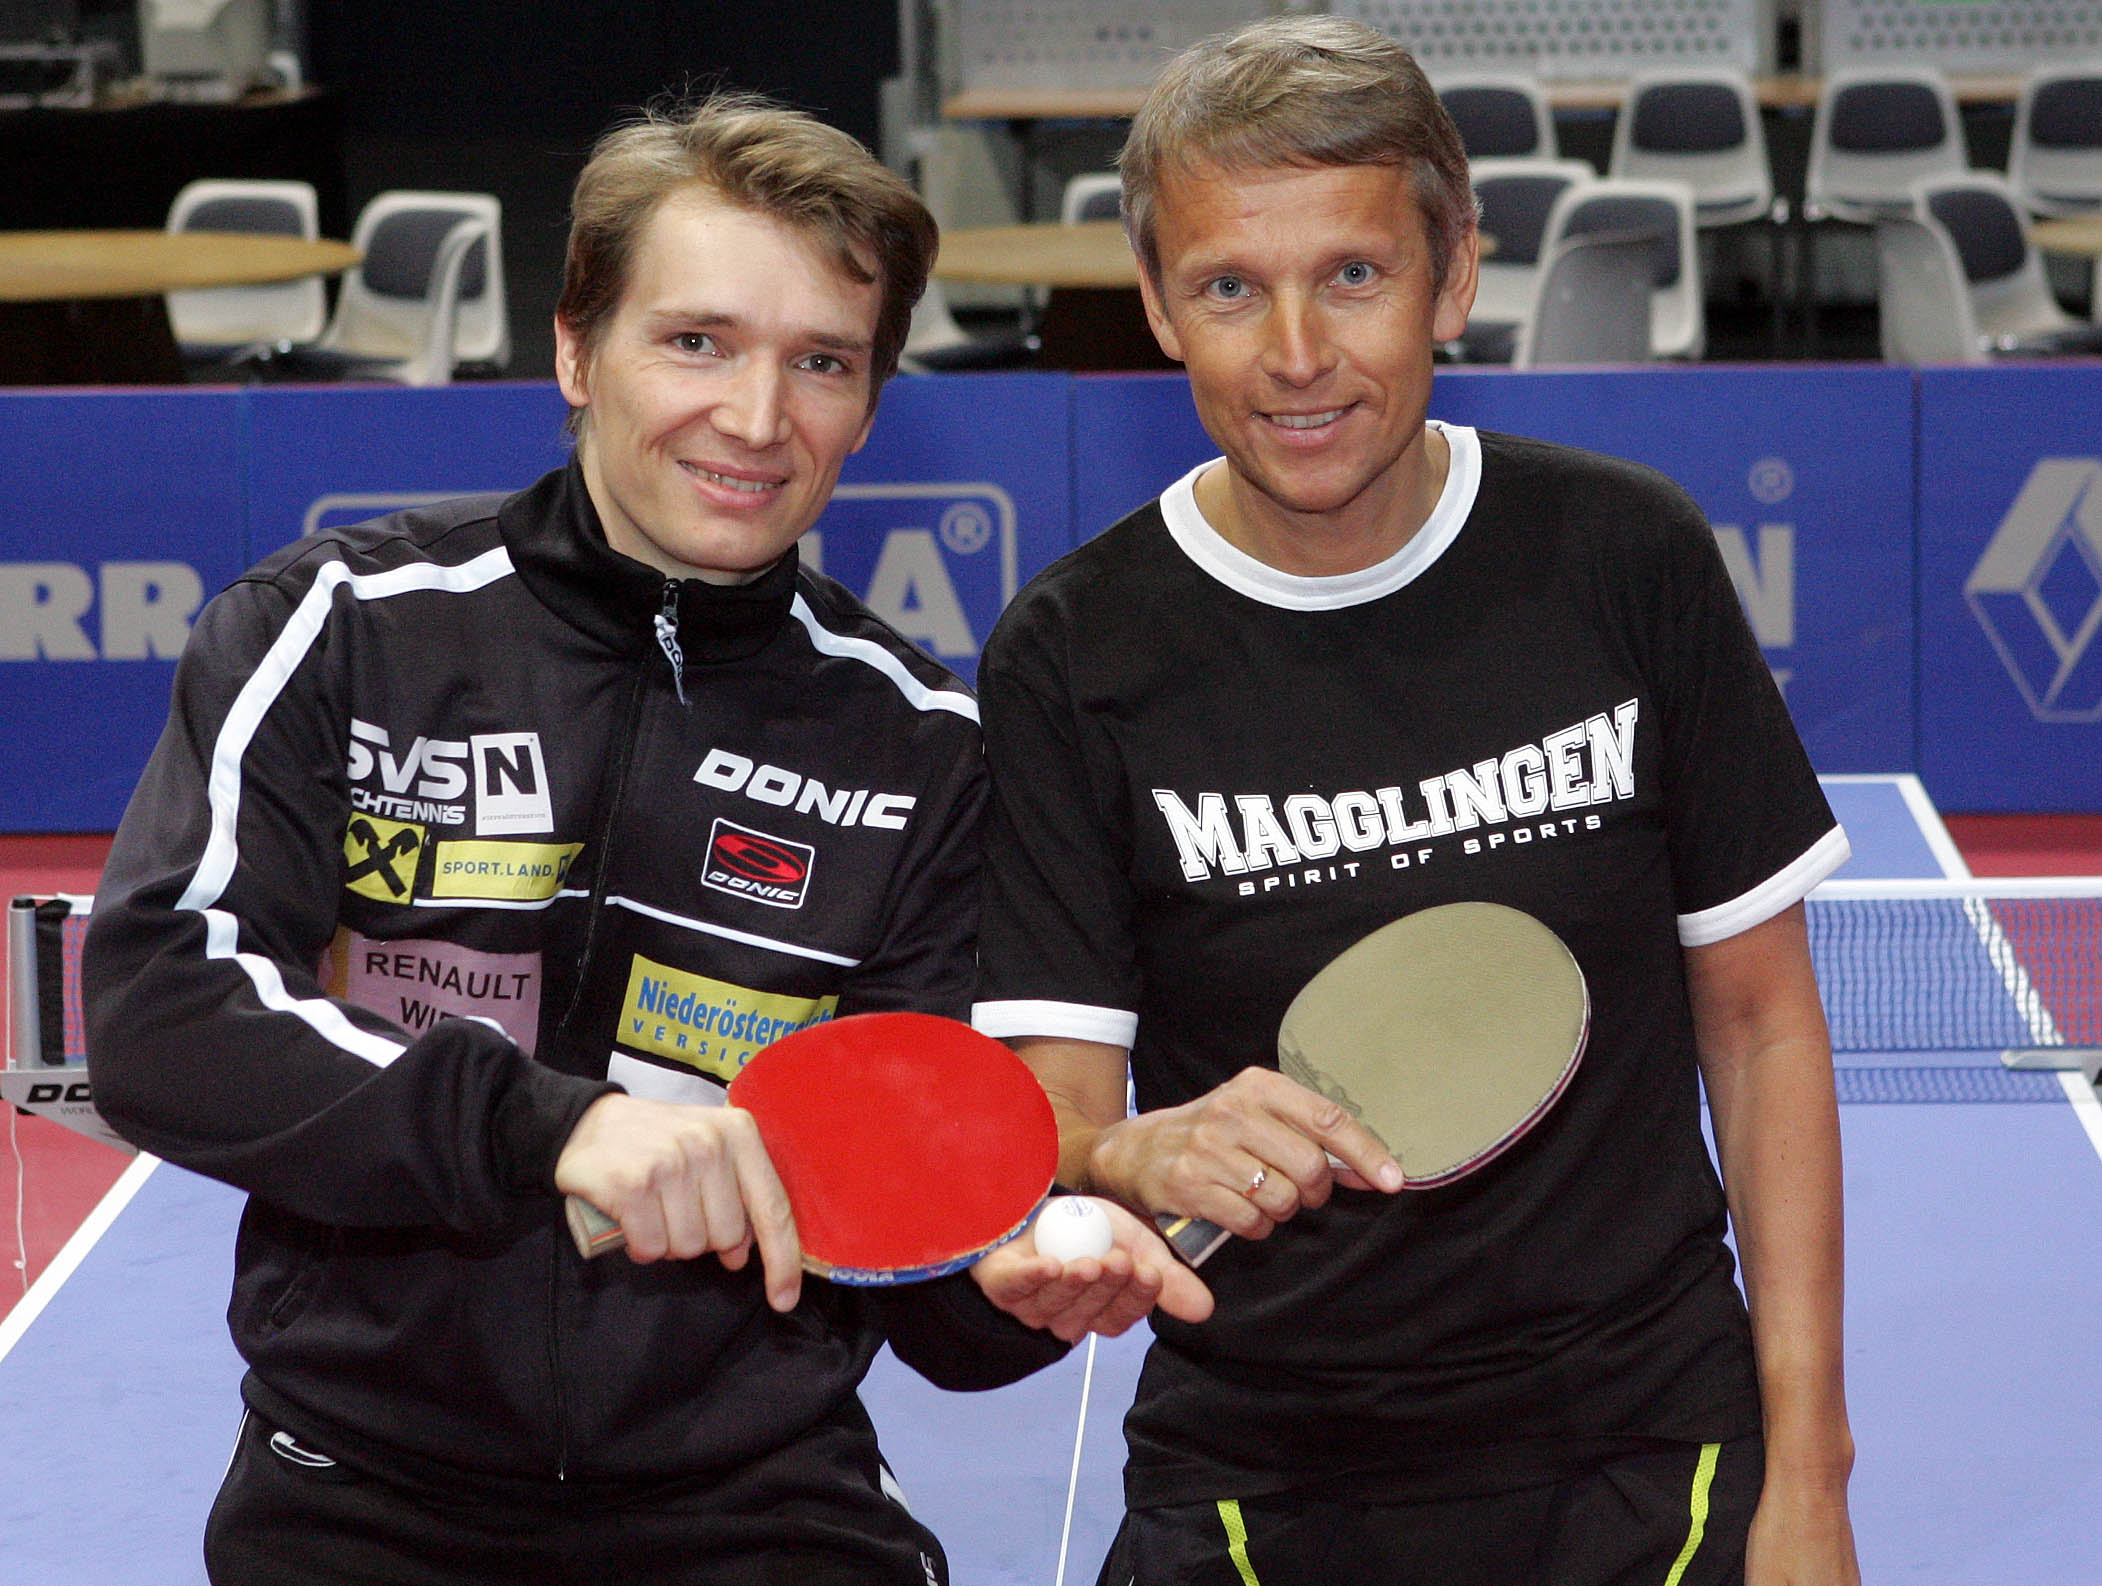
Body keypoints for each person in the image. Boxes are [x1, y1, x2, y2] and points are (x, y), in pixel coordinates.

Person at [84, 92, 1205, 1586]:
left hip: (754, 1505)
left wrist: (1019, 1272)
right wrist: (562, 1129)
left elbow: (927, 1276)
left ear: (870, 405)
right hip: (355, 1492)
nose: (755, 418)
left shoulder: (927, 752)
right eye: (697, 341)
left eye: (821, 362)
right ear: (572, 347)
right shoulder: (341, 627)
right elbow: (163, 1004)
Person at [971, 18, 1860, 1586]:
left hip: (1644, 1439)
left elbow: (1759, 1020)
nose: (1295, 350)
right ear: (1162, 309)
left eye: (1354, 274)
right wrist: (1140, 1154)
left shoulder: (1623, 558)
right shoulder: (1071, 652)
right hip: (1265, 1459)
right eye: (1228, 286)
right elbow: (1058, 1120)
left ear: (1452, 276)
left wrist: (1811, 1470)